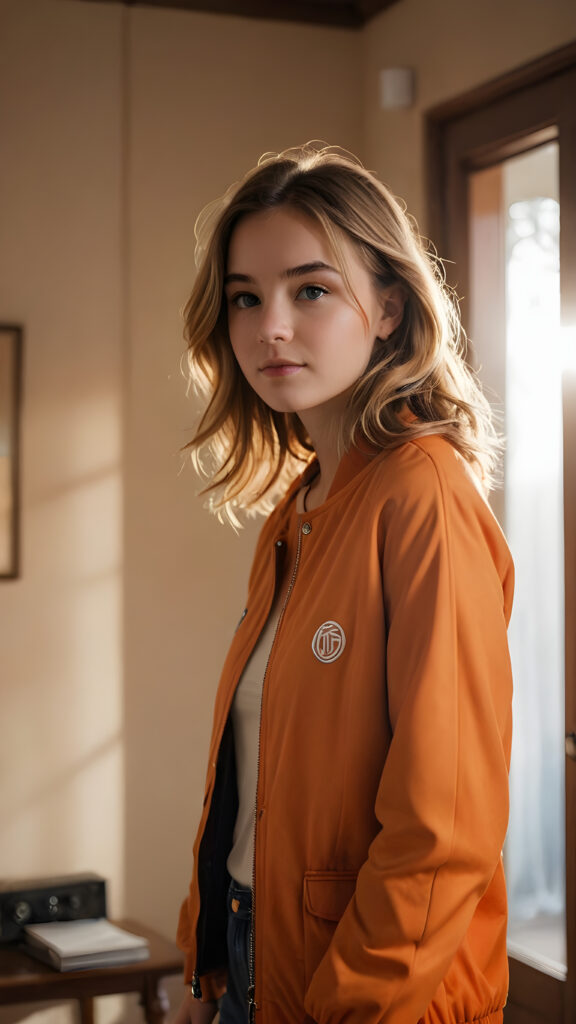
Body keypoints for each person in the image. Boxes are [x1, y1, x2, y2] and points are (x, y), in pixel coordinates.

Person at [172, 143, 514, 1024]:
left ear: (389, 306)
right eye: (246, 297)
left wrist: (351, 1007)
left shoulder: (422, 495)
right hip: (258, 954)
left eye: (310, 290)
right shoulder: (299, 510)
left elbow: (444, 823)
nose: (269, 326)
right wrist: (207, 959)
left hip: (371, 989)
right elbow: (255, 782)